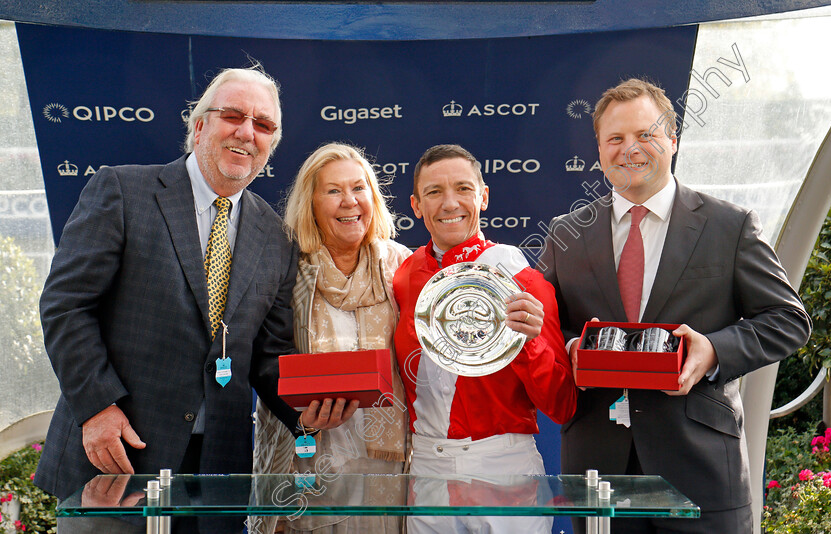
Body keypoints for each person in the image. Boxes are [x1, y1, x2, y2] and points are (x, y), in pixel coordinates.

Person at [34, 65, 355, 530]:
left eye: (263, 125)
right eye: (233, 116)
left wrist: (308, 409)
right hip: (117, 454)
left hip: (217, 475)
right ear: (200, 125)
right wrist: (97, 408)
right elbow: (66, 305)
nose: (247, 132)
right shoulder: (124, 191)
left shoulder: (277, 236)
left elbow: (268, 356)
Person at [539, 78, 812, 533]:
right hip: (598, 469)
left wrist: (714, 350)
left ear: (673, 140)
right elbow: (546, 328)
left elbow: (788, 319)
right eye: (616, 139)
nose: (631, 149)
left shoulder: (729, 226)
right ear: (600, 150)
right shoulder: (566, 234)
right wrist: (570, 348)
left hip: (700, 469)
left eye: (645, 134)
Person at [393, 144, 578, 534]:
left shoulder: (520, 277)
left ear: (484, 195)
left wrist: (528, 344)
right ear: (415, 205)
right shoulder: (402, 275)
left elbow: (562, 404)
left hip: (505, 469)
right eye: (434, 192)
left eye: (463, 188)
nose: (449, 203)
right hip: (427, 465)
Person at [252, 142, 411, 534]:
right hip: (309, 456)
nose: (349, 201)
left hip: (384, 466)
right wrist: (301, 418)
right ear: (311, 202)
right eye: (334, 191)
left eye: (359, 188)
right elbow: (262, 357)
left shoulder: (401, 265)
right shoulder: (286, 270)